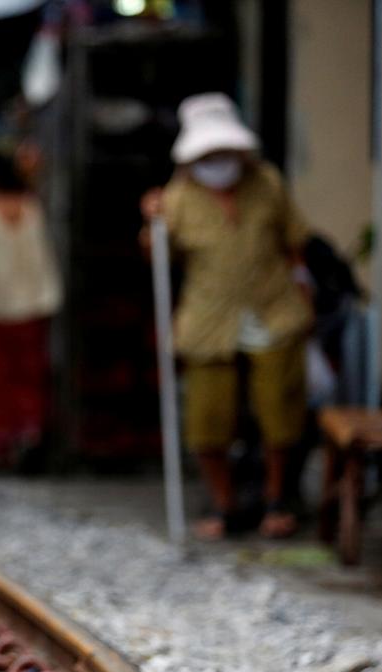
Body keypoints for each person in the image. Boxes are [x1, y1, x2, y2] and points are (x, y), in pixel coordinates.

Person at [141, 93, 312, 540]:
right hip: (208, 317)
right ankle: (225, 505)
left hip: (272, 308)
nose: (218, 161)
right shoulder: (176, 198)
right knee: (207, 416)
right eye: (208, 154)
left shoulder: (267, 183)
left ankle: (277, 501)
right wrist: (152, 224)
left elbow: (295, 239)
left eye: (224, 152)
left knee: (280, 410)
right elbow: (159, 257)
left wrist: (303, 286)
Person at [0, 152, 63, 469]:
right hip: (34, 305)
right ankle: (29, 434)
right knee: (29, 376)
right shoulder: (33, 207)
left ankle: (0, 444)